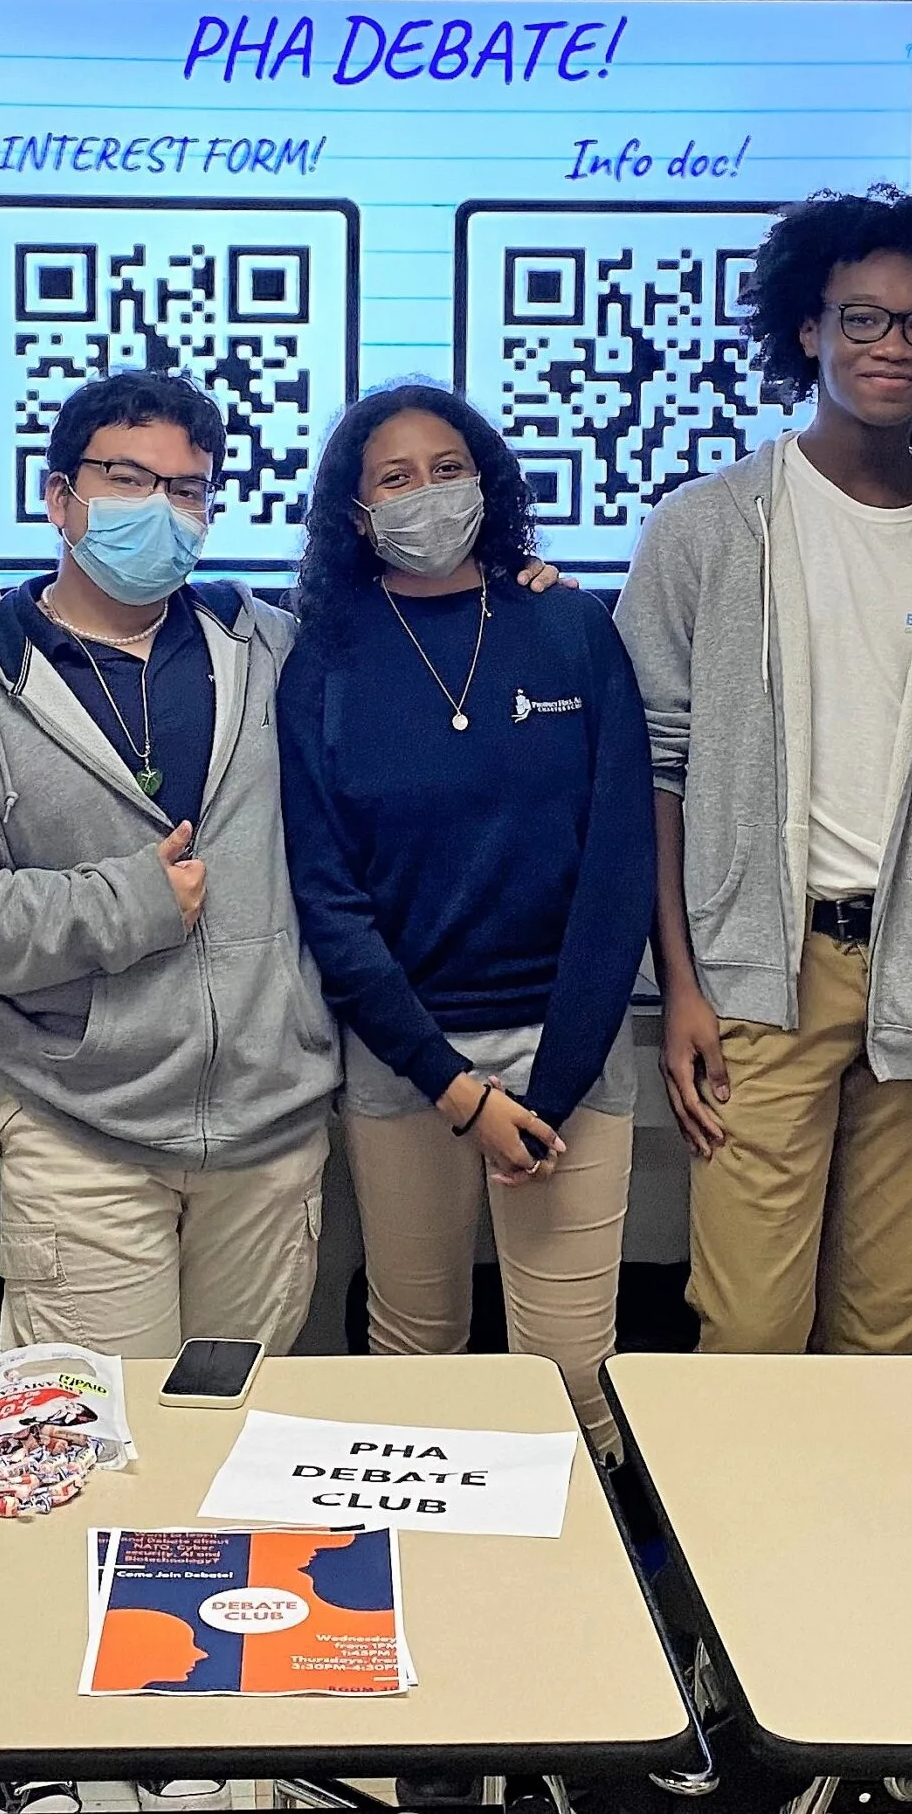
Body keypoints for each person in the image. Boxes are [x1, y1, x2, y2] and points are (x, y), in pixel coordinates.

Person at [0, 371, 332, 1814]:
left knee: (232, 1449)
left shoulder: (269, 642)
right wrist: (123, 903)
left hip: (267, 1117)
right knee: (83, 1456)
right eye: (128, 482)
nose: (161, 512)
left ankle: (210, 1749)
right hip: (84, 1124)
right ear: (60, 492)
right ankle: (62, 1745)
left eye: (190, 487)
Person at [615, 186, 912, 1356]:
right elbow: (651, 769)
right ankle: (733, 1545)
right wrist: (683, 990)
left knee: (882, 1337)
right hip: (762, 980)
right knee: (750, 1333)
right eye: (861, 318)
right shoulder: (708, 529)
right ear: (807, 328)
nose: (892, 345)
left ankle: (851, 1549)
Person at [277, 383, 654, 1462]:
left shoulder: (570, 627)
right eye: (394, 477)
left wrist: (557, 1082)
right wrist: (452, 1085)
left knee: (575, 1381)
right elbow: (329, 895)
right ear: (356, 513)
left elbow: (619, 862)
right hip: (405, 1059)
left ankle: (593, 1619)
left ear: (487, 482)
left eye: (449, 468)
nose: (428, 492)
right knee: (414, 1368)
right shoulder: (325, 661)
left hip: (568, 1054)